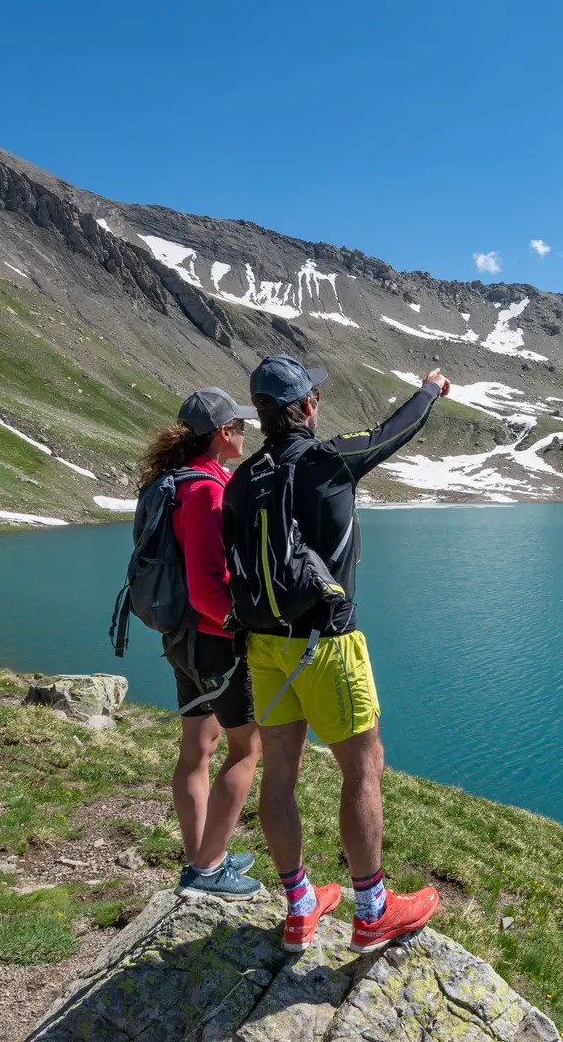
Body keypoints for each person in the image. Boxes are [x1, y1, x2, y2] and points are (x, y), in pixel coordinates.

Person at [231, 355, 449, 953]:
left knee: (279, 776)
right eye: (315, 398)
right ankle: (372, 910)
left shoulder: (242, 480)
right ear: (307, 407)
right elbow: (395, 431)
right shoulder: (328, 462)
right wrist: (429, 389)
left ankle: (300, 906)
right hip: (326, 645)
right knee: (362, 768)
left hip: (264, 648)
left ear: (261, 413)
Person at [136, 387, 264, 900]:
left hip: (180, 638)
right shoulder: (207, 490)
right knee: (246, 749)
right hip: (214, 641)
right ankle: (208, 870)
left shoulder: (173, 482)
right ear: (220, 434)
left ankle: (200, 855)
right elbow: (209, 585)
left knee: (197, 748)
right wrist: (244, 625)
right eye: (238, 424)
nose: (244, 431)